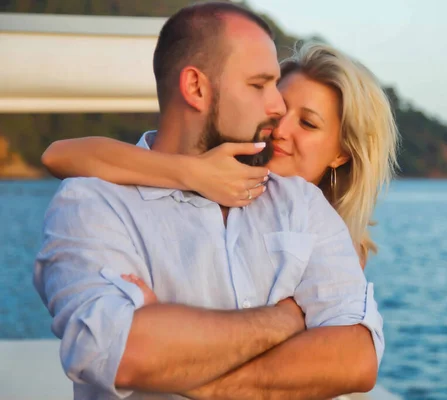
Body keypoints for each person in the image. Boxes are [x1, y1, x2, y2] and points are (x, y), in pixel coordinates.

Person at [34, 3, 397, 400]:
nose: (278, 119)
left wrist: (192, 377)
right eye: (262, 87)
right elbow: (118, 353)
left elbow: (356, 359)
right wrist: (285, 319)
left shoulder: (308, 209)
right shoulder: (97, 202)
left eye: (307, 123)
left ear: (340, 155)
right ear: (196, 87)